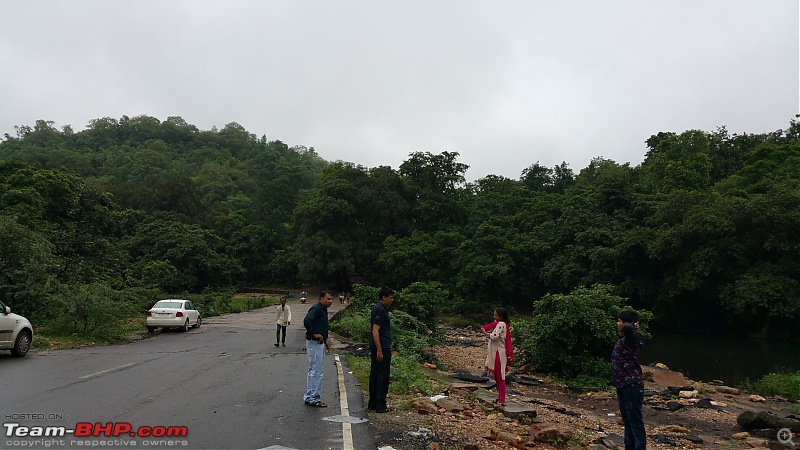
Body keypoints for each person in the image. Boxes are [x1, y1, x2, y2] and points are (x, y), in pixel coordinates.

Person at [612, 309, 646, 450]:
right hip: (622, 384)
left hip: (631, 384)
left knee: (635, 421)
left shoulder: (632, 339)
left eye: (619, 321)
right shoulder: (624, 340)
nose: (617, 323)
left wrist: (633, 325)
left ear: (626, 323)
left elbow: (628, 328)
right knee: (627, 420)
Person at [303, 291, 334, 407]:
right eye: (328, 299)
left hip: (318, 342)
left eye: (331, 299)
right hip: (314, 343)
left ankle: (310, 396)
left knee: (313, 370)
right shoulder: (316, 308)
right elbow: (307, 321)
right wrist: (314, 334)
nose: (330, 301)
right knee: (317, 371)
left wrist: (325, 339)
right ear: (321, 298)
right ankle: (314, 398)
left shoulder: (323, 309)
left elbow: (321, 326)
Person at [368, 286, 394, 413]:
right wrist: (379, 349)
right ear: (383, 297)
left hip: (377, 345)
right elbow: (375, 330)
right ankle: (380, 405)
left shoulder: (377, 308)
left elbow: (371, 325)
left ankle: (373, 403)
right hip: (382, 346)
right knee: (382, 376)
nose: (392, 300)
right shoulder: (381, 310)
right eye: (390, 297)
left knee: (375, 374)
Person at [482, 307, 514, 406]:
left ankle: (502, 399)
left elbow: (494, 336)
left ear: (500, 316)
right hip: (499, 352)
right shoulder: (504, 325)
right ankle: (500, 398)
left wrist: (485, 333)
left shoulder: (500, 324)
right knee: (498, 376)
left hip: (499, 354)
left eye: (495, 315)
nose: (494, 317)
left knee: (500, 377)